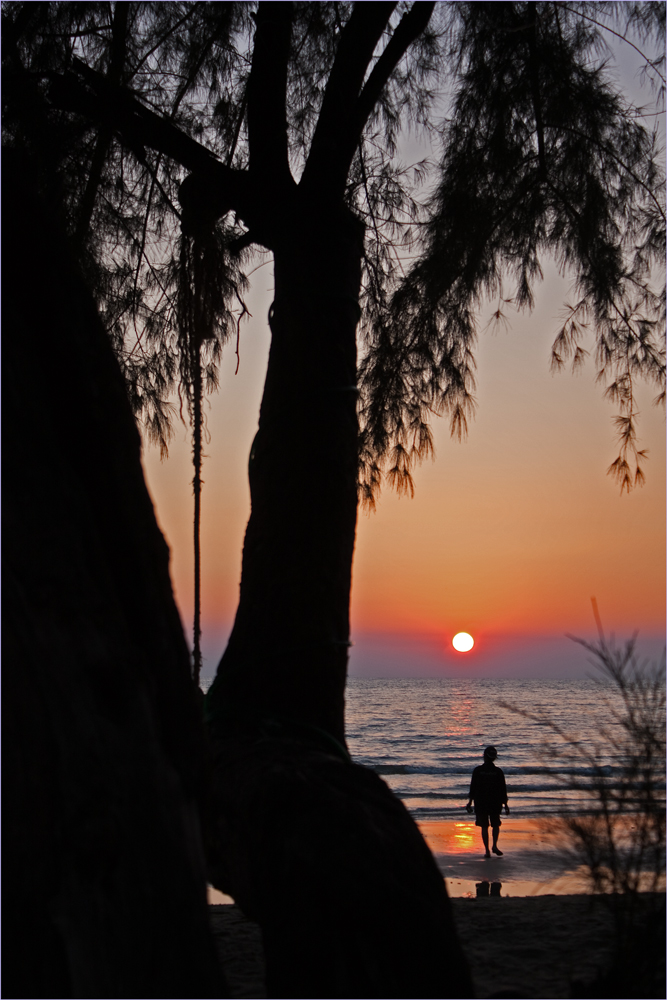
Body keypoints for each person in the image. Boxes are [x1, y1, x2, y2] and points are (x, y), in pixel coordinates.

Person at [466, 746, 510, 857]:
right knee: (495, 825)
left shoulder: (478, 771)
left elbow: (473, 788)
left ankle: (487, 851)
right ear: (494, 758)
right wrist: (505, 804)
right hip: (495, 802)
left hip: (481, 802)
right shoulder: (498, 772)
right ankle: (494, 845)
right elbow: (502, 789)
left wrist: (470, 802)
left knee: (484, 826)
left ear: (484, 756)